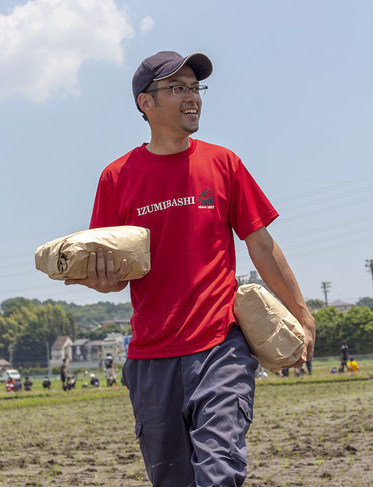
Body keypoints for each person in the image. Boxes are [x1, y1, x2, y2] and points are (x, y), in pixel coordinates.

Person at [65, 50, 315, 486]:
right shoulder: (116, 177)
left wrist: (302, 314)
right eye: (177, 88)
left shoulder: (224, 164)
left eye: (195, 88)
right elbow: (106, 273)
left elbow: (261, 245)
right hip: (150, 359)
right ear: (146, 102)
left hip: (220, 346)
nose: (192, 97)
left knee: (219, 472)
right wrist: (102, 281)